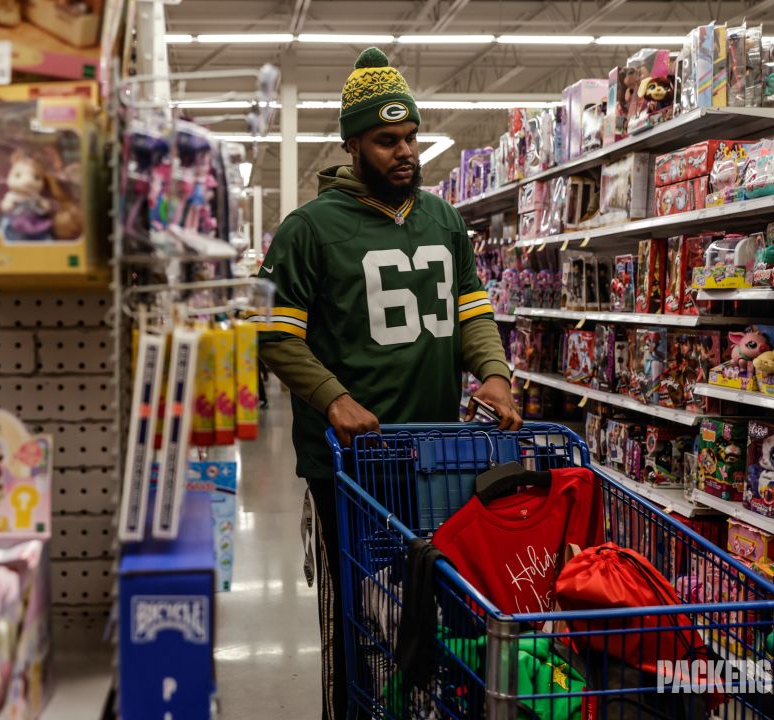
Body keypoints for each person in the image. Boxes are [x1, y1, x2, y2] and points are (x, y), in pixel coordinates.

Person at [256, 47, 522, 720]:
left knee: (435, 613)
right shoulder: (308, 232)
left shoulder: (443, 219)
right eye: (386, 141)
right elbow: (274, 336)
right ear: (352, 145)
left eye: (410, 139)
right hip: (347, 465)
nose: (405, 153)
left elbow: (472, 309)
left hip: (435, 457)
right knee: (354, 623)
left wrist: (493, 372)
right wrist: (333, 399)